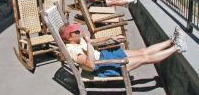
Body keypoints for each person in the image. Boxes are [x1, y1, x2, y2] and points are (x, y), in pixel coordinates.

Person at [59, 23, 187, 77]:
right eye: (76, 31)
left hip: (104, 55)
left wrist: (110, 37)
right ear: (69, 37)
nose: (79, 31)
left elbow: (92, 42)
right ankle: (178, 47)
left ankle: (172, 41)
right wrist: (87, 43)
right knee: (145, 58)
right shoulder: (72, 49)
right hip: (103, 65)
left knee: (143, 51)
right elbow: (90, 65)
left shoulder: (76, 39)